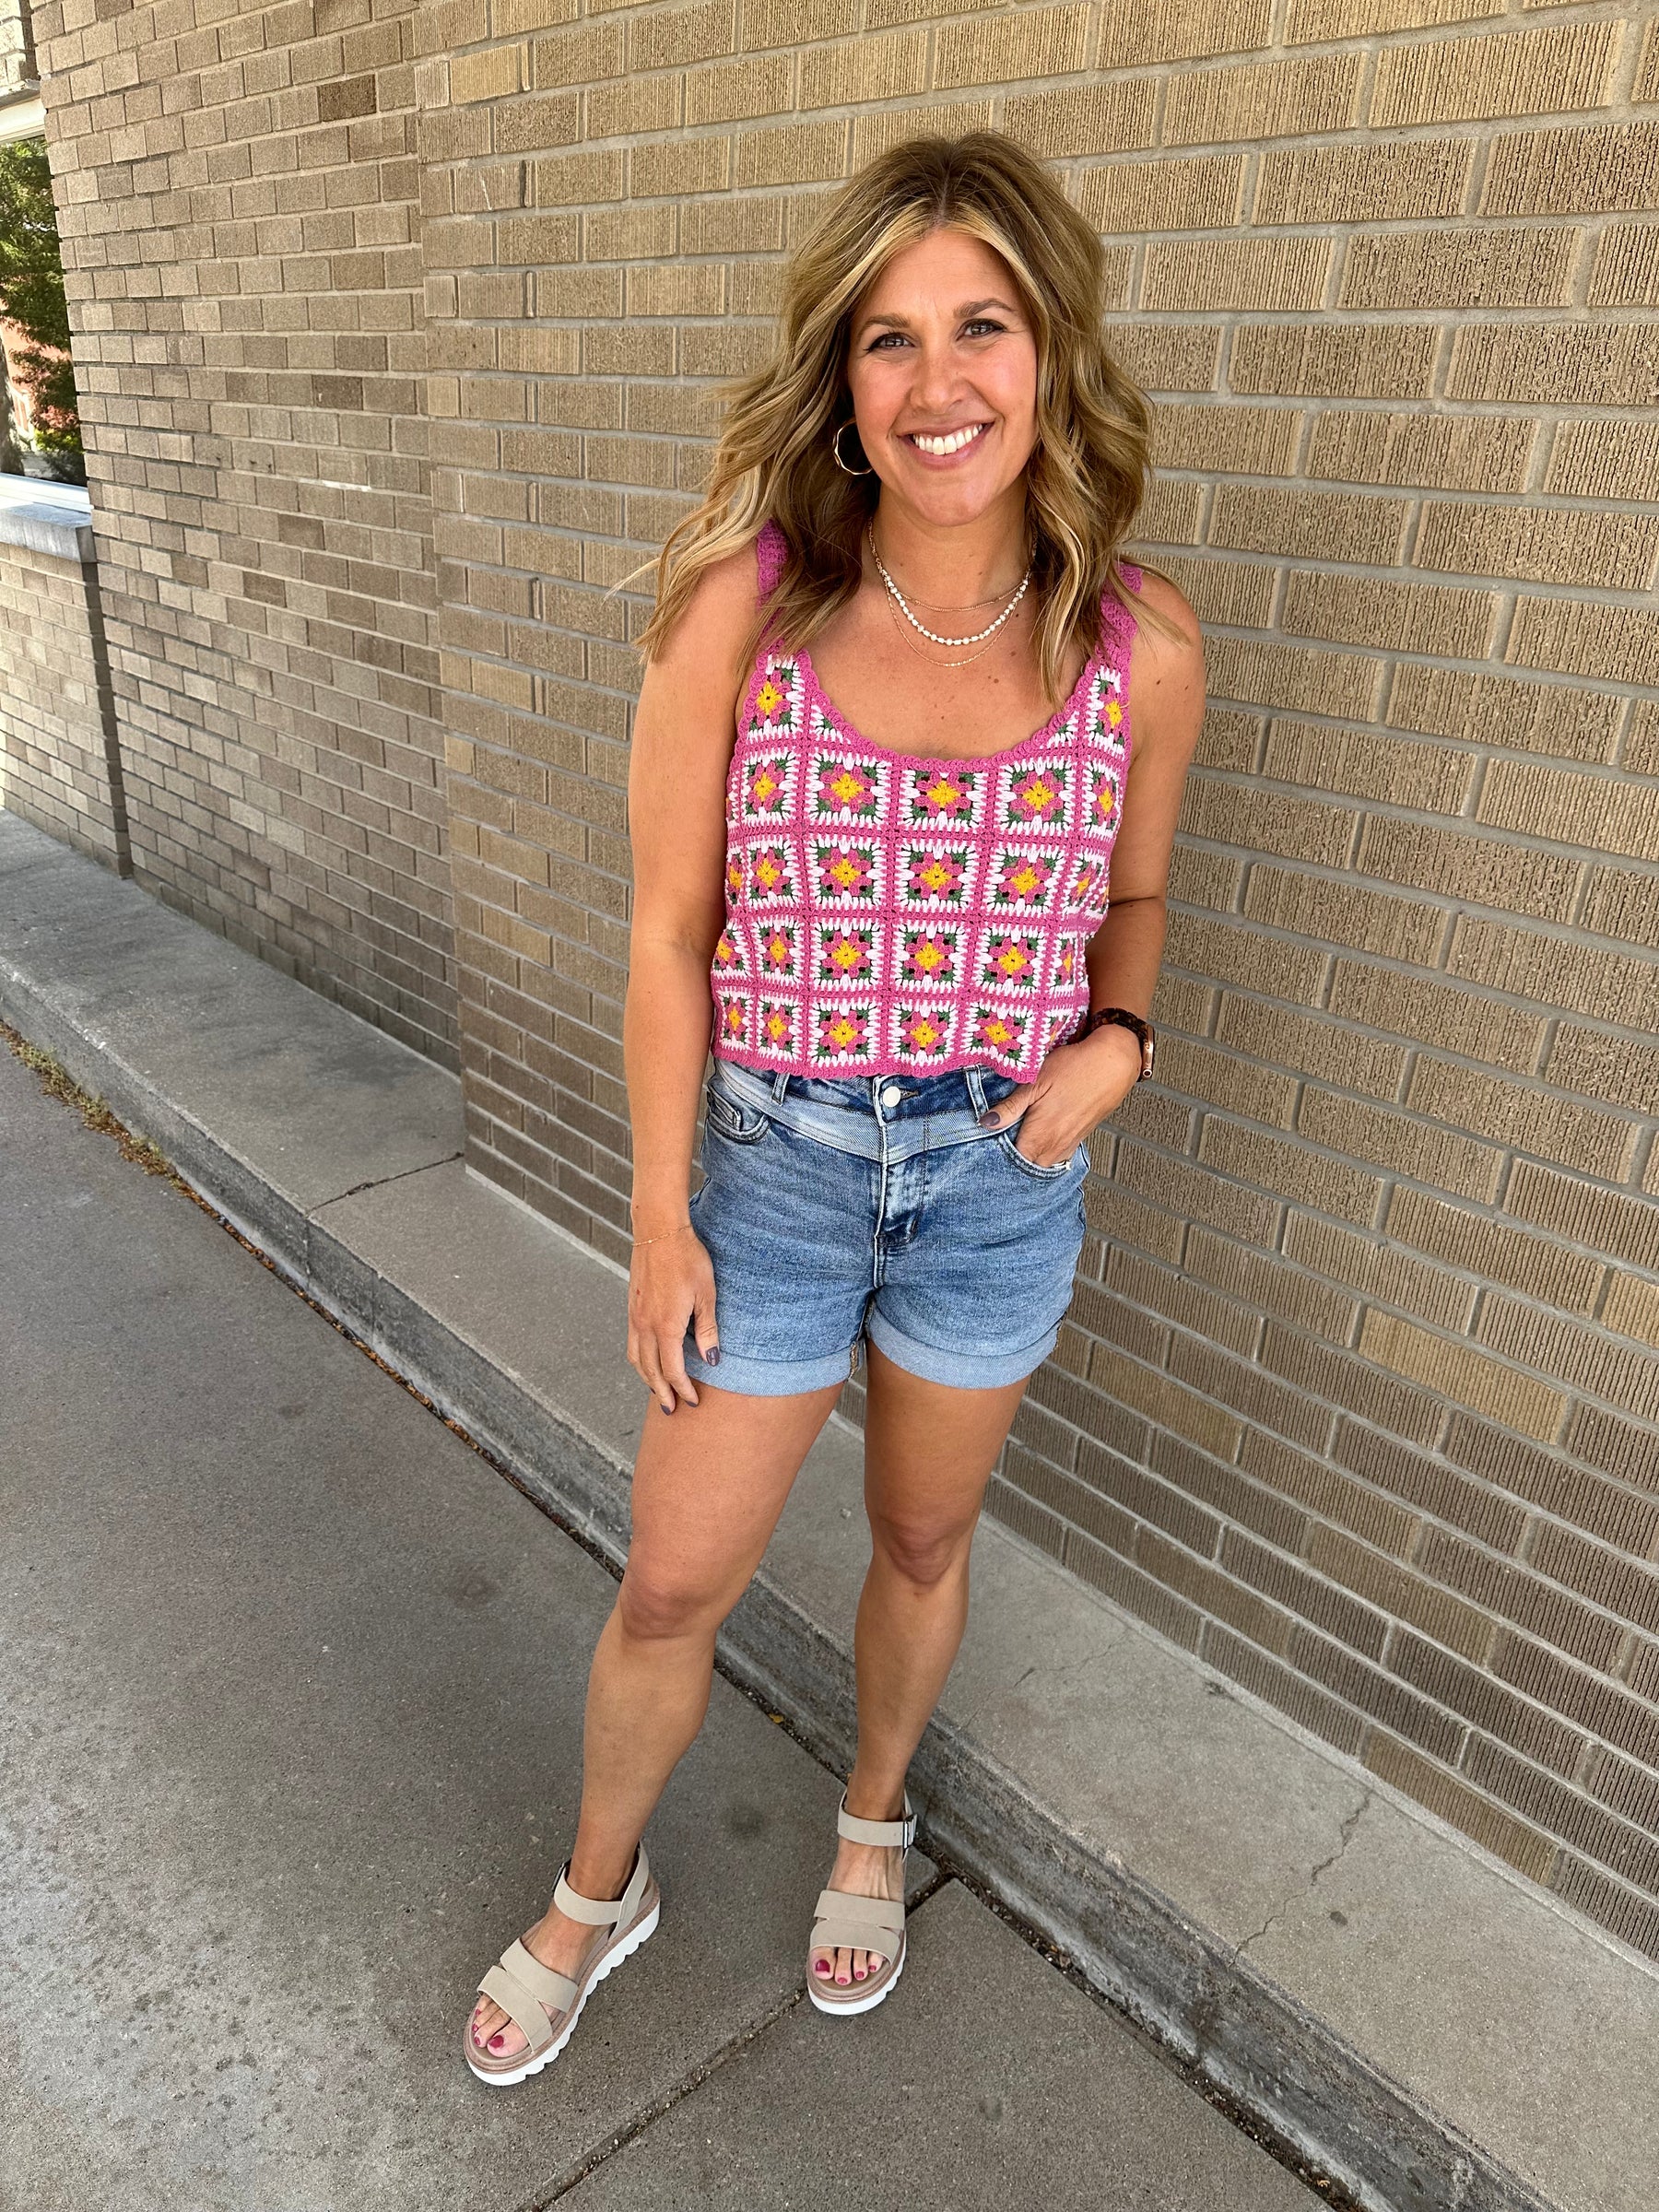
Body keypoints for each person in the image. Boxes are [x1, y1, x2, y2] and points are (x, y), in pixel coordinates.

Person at [465, 129, 1204, 2083]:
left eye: (984, 325)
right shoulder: (750, 605)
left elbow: (1133, 894)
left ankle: (870, 1828)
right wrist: (656, 1211)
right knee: (678, 1575)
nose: (938, 381)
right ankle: (598, 1888)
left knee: (924, 1542)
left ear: (1051, 354)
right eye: (889, 338)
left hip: (998, 1177)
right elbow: (663, 932)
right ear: (843, 381)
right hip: (776, 1171)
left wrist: (1116, 1046)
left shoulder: (1141, 646)